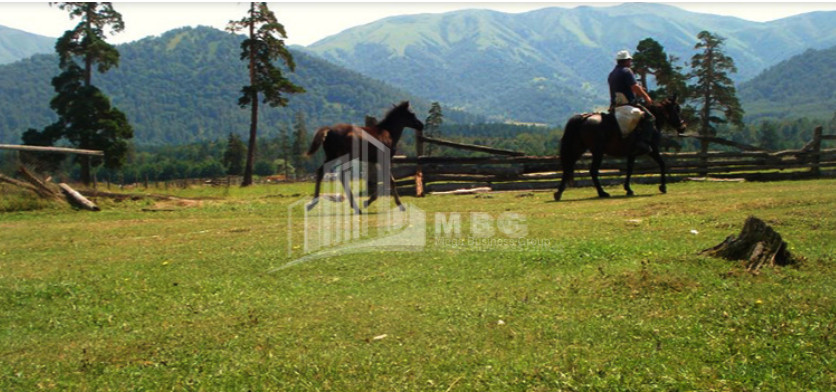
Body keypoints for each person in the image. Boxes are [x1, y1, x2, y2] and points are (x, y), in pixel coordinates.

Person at [608, 50, 656, 155]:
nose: (631, 63)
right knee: (650, 118)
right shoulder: (627, 71)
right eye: (630, 60)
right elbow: (634, 87)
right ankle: (643, 143)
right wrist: (647, 97)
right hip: (627, 104)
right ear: (626, 61)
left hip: (615, 106)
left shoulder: (612, 74)